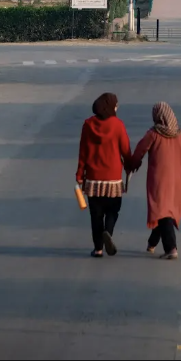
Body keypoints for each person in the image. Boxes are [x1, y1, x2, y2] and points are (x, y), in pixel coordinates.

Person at [129, 101, 181, 260]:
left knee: (162, 210)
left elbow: (139, 152)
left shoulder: (153, 134)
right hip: (177, 178)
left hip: (159, 178)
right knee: (164, 209)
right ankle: (152, 242)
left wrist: (132, 165)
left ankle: (171, 248)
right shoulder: (180, 134)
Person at [76, 92, 131, 258]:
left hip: (93, 178)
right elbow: (126, 151)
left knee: (96, 215)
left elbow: (83, 152)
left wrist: (79, 174)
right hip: (113, 178)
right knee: (113, 210)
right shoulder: (118, 125)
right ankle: (108, 231)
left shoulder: (87, 125)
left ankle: (98, 248)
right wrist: (131, 165)